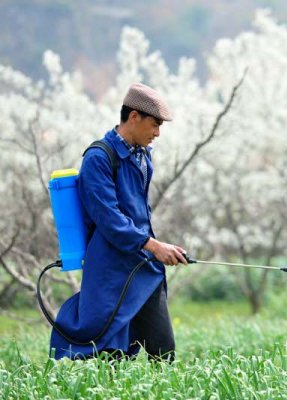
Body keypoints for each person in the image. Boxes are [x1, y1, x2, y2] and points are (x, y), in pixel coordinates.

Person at [49, 83, 188, 361]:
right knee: (112, 355)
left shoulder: (143, 156)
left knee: (163, 349)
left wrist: (157, 248)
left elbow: (139, 214)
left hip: (143, 265)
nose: (158, 133)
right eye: (155, 124)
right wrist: (153, 246)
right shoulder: (98, 158)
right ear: (134, 117)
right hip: (111, 269)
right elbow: (109, 219)